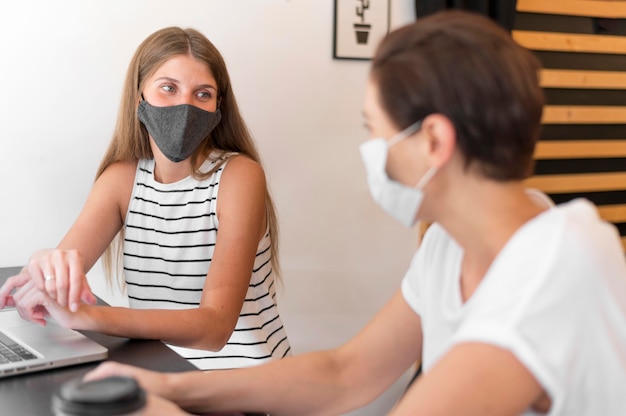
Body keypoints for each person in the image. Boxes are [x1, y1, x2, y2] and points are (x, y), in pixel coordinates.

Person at [80, 10, 626, 416]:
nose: (373, 152)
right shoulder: (449, 245)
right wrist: (170, 389)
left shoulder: (559, 261)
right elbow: (346, 374)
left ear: (432, 141)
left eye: (376, 130)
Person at [0, 26, 291, 371]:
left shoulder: (239, 176)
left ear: (217, 108)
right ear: (140, 97)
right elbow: (65, 268)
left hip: (247, 382)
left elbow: (215, 329)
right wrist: (44, 272)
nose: (185, 106)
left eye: (202, 94)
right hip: (162, 371)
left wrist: (89, 316)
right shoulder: (122, 179)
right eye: (168, 88)